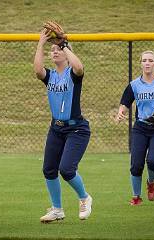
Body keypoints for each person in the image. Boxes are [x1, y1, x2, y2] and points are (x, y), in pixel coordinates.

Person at [33, 28, 92, 222]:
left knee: (66, 169)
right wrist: (41, 43)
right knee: (49, 169)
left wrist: (65, 44)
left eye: (59, 49)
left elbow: (80, 67)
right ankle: (57, 209)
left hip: (77, 129)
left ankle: (84, 198)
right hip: (56, 129)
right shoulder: (50, 76)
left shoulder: (73, 74)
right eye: (53, 50)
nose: (55, 51)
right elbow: (37, 71)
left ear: (67, 53)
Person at [116, 50, 154, 206]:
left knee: (153, 161)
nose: (147, 63)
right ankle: (136, 197)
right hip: (141, 128)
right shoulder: (134, 85)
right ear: (141, 63)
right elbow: (125, 103)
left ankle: (151, 182)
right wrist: (121, 112)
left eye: (150, 60)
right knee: (136, 165)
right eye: (144, 60)